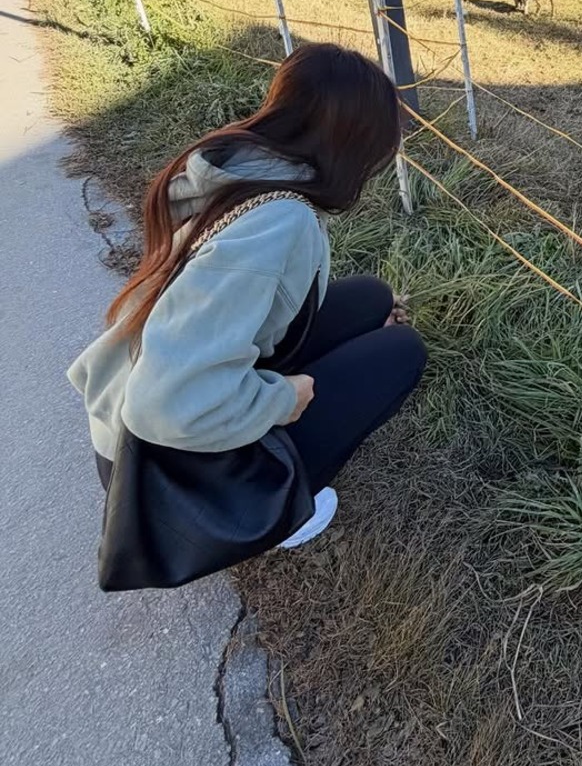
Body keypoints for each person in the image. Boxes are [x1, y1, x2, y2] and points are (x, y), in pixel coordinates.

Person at [68, 42, 427, 556]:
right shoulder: (280, 221)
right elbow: (162, 405)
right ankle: (273, 510)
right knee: (400, 354)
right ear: (352, 148)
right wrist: (284, 399)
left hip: (130, 415)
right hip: (159, 467)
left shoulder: (239, 167)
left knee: (370, 297)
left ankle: (266, 443)